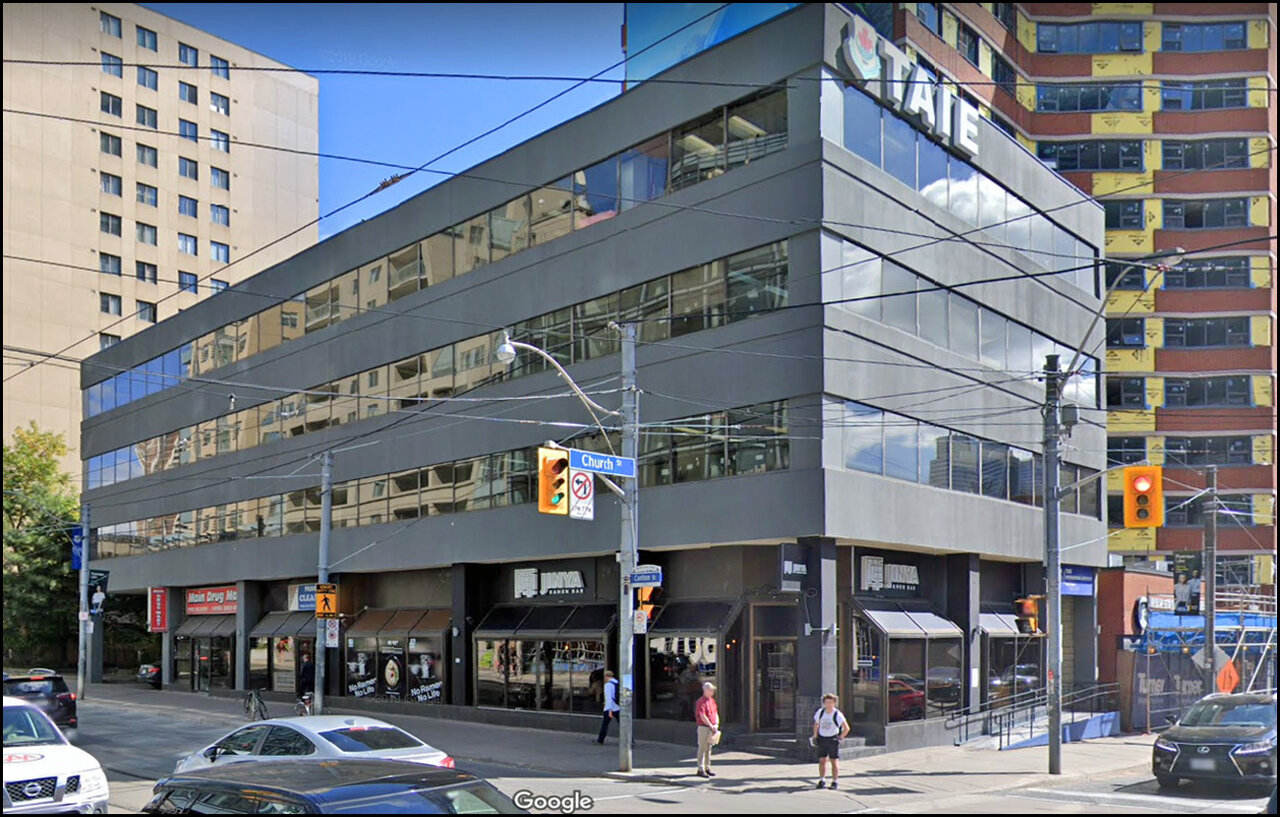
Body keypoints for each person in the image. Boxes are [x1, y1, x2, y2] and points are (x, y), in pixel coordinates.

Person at [811, 693, 851, 789]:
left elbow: (846, 728)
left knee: (834, 761)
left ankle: (834, 781)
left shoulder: (837, 714)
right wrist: (815, 736)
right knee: (822, 760)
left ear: (834, 703)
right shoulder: (821, 712)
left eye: (830, 702)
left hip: (832, 738)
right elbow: (816, 724)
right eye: (826, 702)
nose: (828, 704)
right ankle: (822, 779)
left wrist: (840, 738)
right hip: (822, 738)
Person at [694, 681, 720, 778]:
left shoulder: (712, 701)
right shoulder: (700, 701)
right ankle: (700, 769)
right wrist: (711, 725)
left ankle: (707, 767)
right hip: (703, 727)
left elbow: (715, 713)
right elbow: (702, 715)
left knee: (708, 748)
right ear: (705, 690)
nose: (712, 692)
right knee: (702, 747)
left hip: (711, 727)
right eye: (710, 690)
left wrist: (716, 724)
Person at [595, 670, 620, 745]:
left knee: (605, 724)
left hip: (610, 708)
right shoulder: (617, 683)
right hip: (618, 707)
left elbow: (609, 698)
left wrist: (609, 710)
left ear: (606, 676)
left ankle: (600, 740)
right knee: (623, 725)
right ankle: (630, 740)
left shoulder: (608, 685)